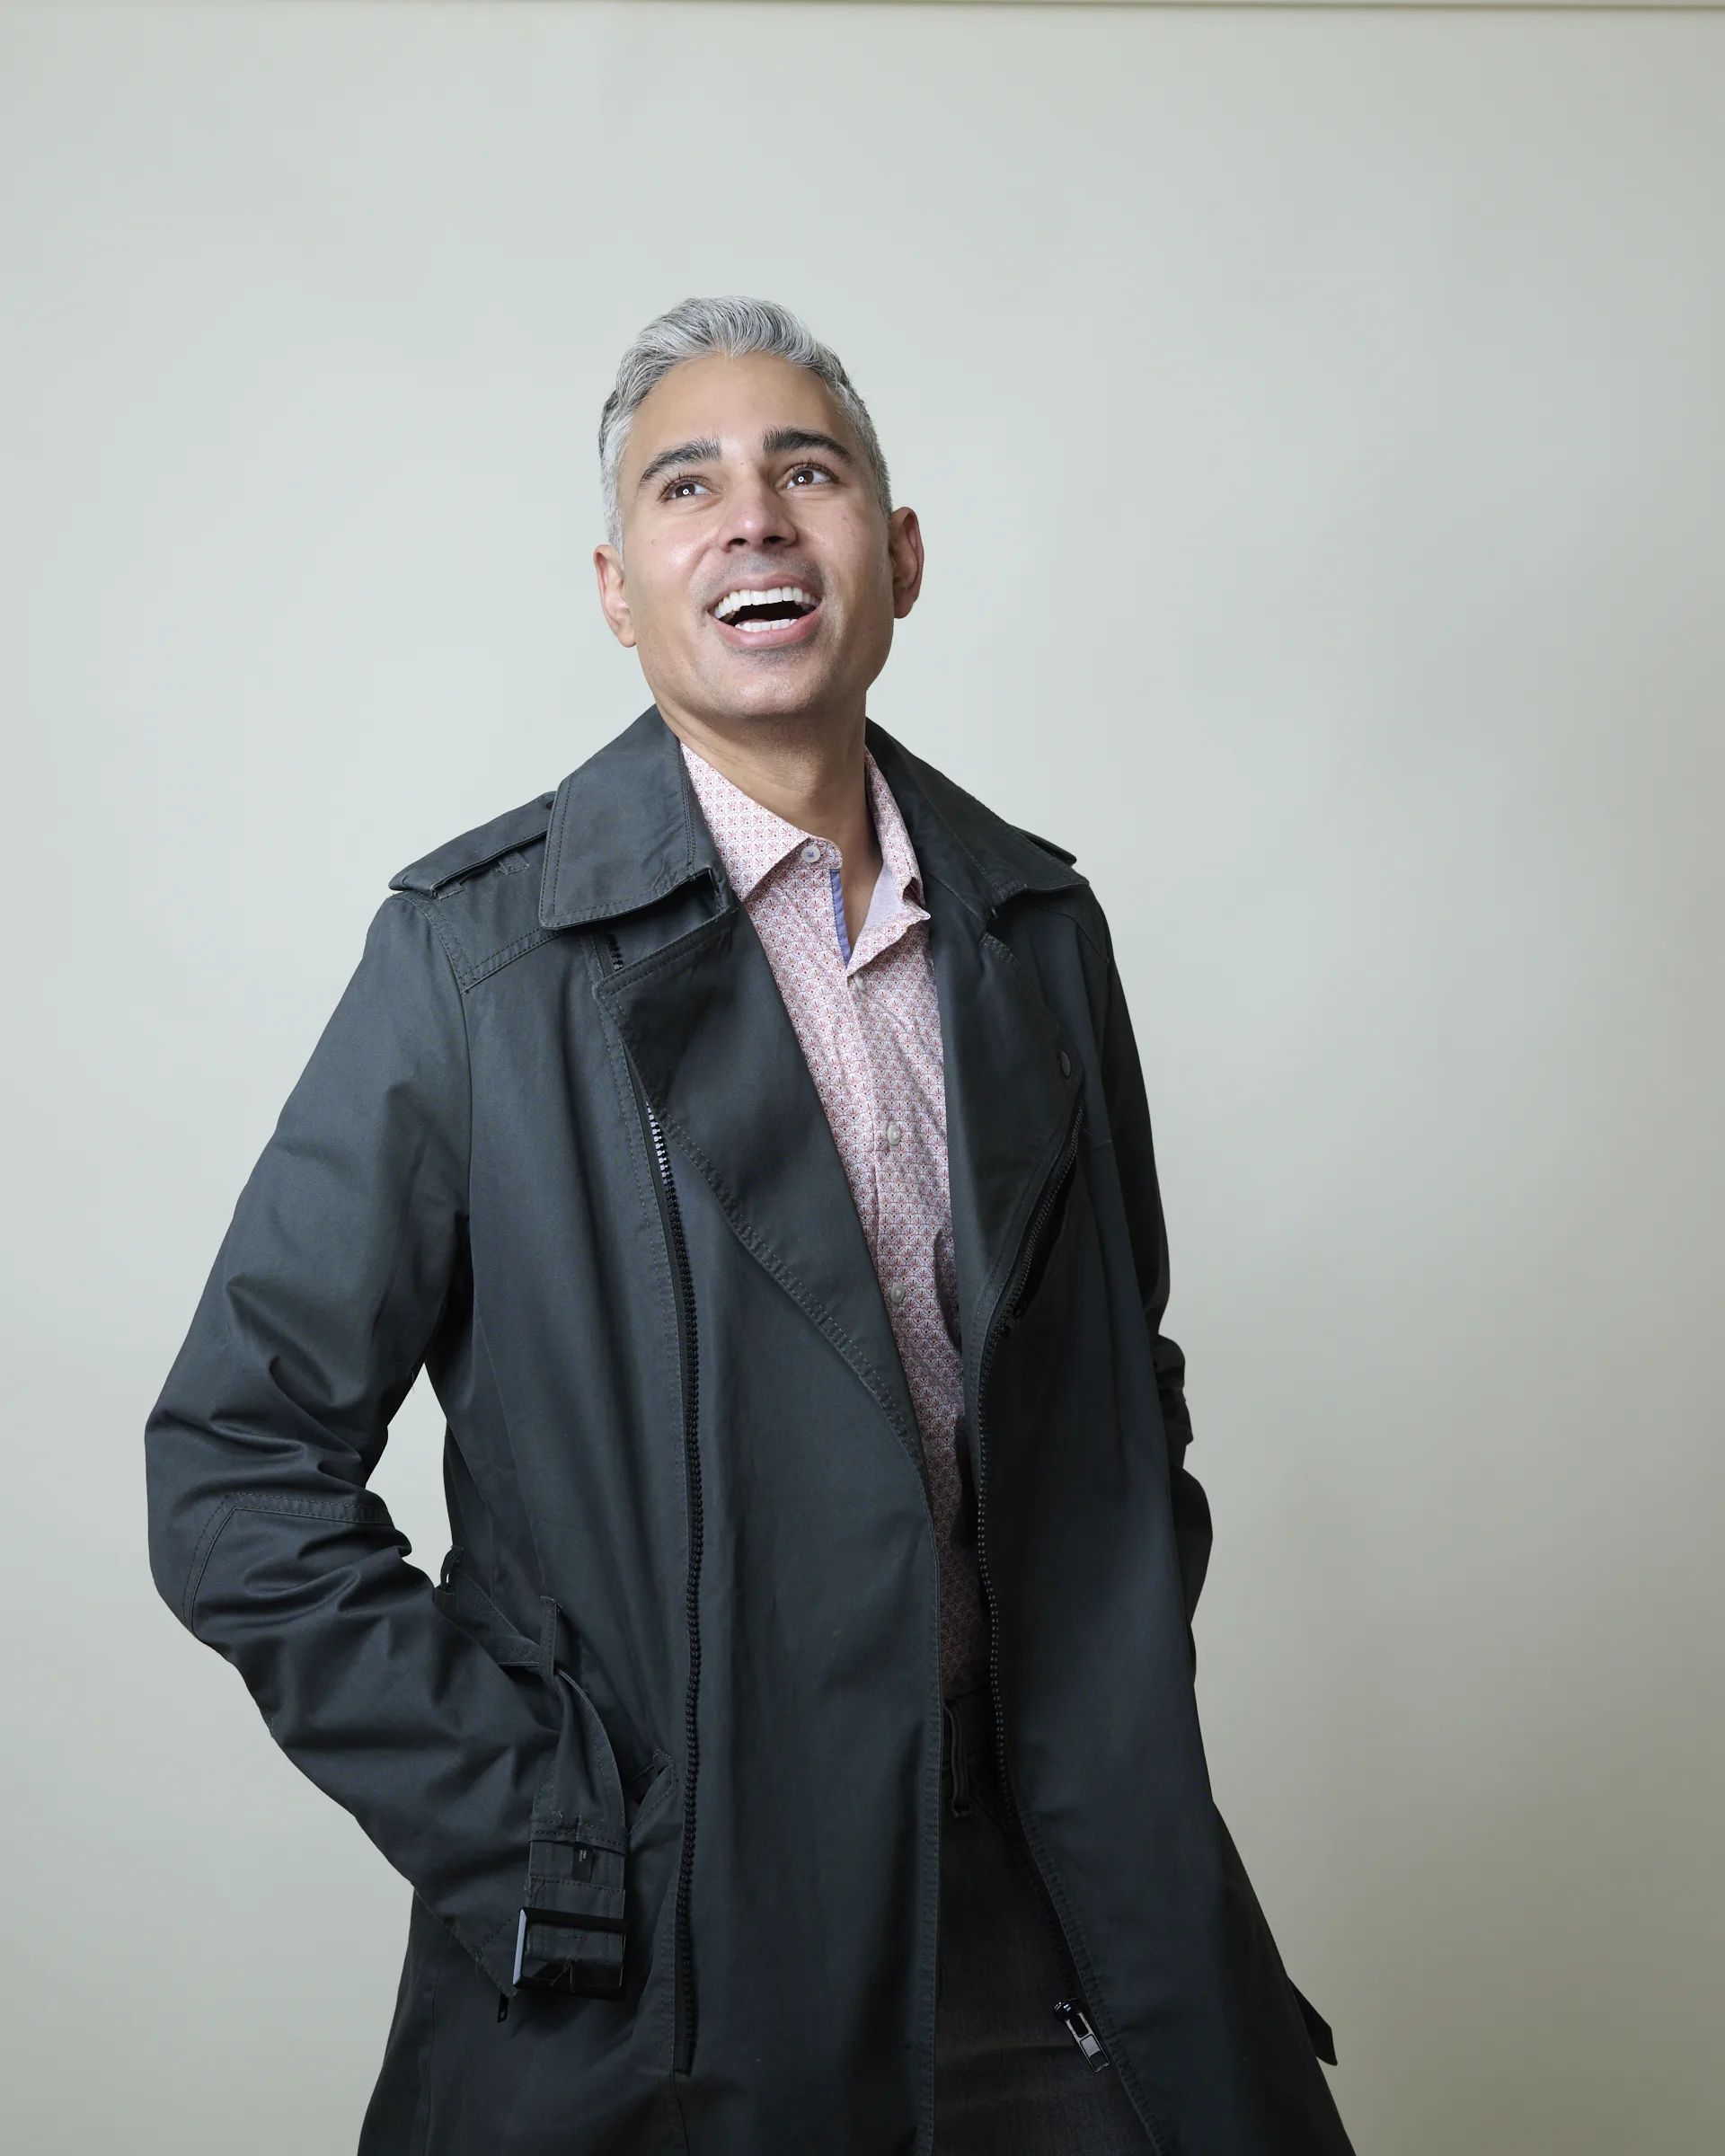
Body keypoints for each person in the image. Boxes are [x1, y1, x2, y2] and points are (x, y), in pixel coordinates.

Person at [146, 296, 1353, 2156]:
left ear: (902, 555)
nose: (756, 518)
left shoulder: (1038, 933)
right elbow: (235, 1469)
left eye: (810, 469)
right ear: (619, 593)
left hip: (1068, 1905)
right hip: (687, 1950)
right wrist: (547, 1833)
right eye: (686, 485)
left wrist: (1102, 1692)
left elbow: (1127, 1383)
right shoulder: (476, 961)